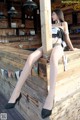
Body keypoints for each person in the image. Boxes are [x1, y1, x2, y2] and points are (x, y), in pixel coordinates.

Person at [5, 8, 77, 119]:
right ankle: (16, 92)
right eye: (51, 14)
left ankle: (50, 96)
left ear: (58, 15)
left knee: (53, 59)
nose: (52, 16)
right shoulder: (49, 24)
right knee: (30, 57)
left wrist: (72, 49)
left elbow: (66, 38)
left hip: (58, 45)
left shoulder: (64, 23)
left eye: (53, 14)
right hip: (47, 46)